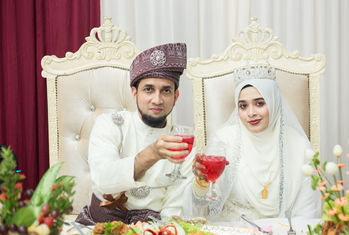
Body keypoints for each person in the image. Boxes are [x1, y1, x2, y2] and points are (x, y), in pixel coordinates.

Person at [76, 43, 194, 225]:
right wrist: (152, 154)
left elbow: (174, 209)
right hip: (98, 228)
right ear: (134, 93)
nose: (157, 99)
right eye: (148, 89)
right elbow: (103, 180)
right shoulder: (110, 124)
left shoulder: (183, 145)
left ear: (176, 97)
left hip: (152, 233)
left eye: (166, 91)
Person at [184, 64, 320, 221]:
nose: (251, 113)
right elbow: (201, 209)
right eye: (243, 106)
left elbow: (307, 213)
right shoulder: (225, 139)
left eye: (260, 103)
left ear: (274, 102)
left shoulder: (298, 145)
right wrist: (201, 183)